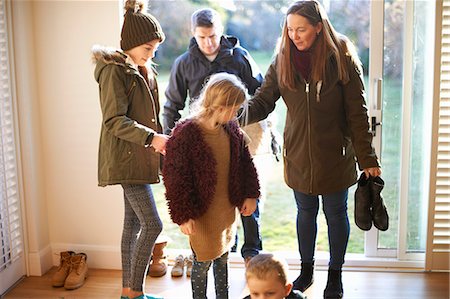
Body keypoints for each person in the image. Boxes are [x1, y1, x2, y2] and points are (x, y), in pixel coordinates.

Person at [241, 1, 382, 298]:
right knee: (305, 213)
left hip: (335, 156)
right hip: (298, 156)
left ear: (319, 27)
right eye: (290, 29)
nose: (295, 35)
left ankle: (335, 275)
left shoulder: (341, 58)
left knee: (335, 214)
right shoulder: (282, 59)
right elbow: (263, 102)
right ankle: (306, 271)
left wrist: (367, 158)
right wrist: (232, 113)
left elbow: (357, 112)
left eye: (301, 29)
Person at [162, 8, 268, 264]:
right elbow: (172, 105)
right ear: (193, 35)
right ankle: (220, 248)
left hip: (237, 134)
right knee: (213, 193)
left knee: (242, 186)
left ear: (221, 32)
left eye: (213, 36)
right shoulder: (183, 64)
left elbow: (260, 93)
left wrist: (248, 128)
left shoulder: (240, 58)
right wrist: (170, 141)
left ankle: (251, 249)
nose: (209, 43)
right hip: (201, 140)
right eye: (202, 37)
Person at [92, 1, 168, 298]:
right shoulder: (114, 71)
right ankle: (133, 293)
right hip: (126, 158)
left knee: (133, 224)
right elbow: (113, 120)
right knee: (152, 224)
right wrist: (151, 139)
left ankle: (128, 291)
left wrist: (158, 141)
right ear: (133, 43)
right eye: (148, 48)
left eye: (154, 49)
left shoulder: (141, 69)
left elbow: (152, 115)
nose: (152, 54)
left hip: (138, 156)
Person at [162, 72, 260, 299]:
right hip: (201, 215)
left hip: (225, 212)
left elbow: (245, 164)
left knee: (223, 257)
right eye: (234, 108)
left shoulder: (231, 130)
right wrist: (183, 215)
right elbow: (175, 179)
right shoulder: (186, 133)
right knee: (202, 262)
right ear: (221, 106)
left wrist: (250, 194)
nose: (236, 113)